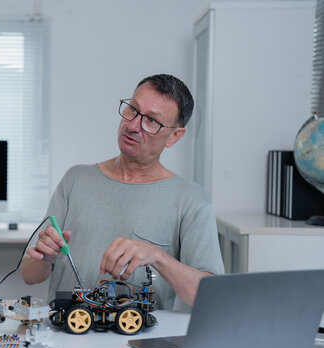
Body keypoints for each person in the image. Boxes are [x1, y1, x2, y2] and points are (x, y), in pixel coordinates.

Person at [20, 74, 224, 310]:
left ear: (175, 136)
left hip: (136, 340)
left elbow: (211, 294)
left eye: (151, 121)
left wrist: (156, 256)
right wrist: (44, 260)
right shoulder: (75, 180)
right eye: (132, 110)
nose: (133, 125)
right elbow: (29, 274)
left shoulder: (191, 199)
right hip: (70, 333)